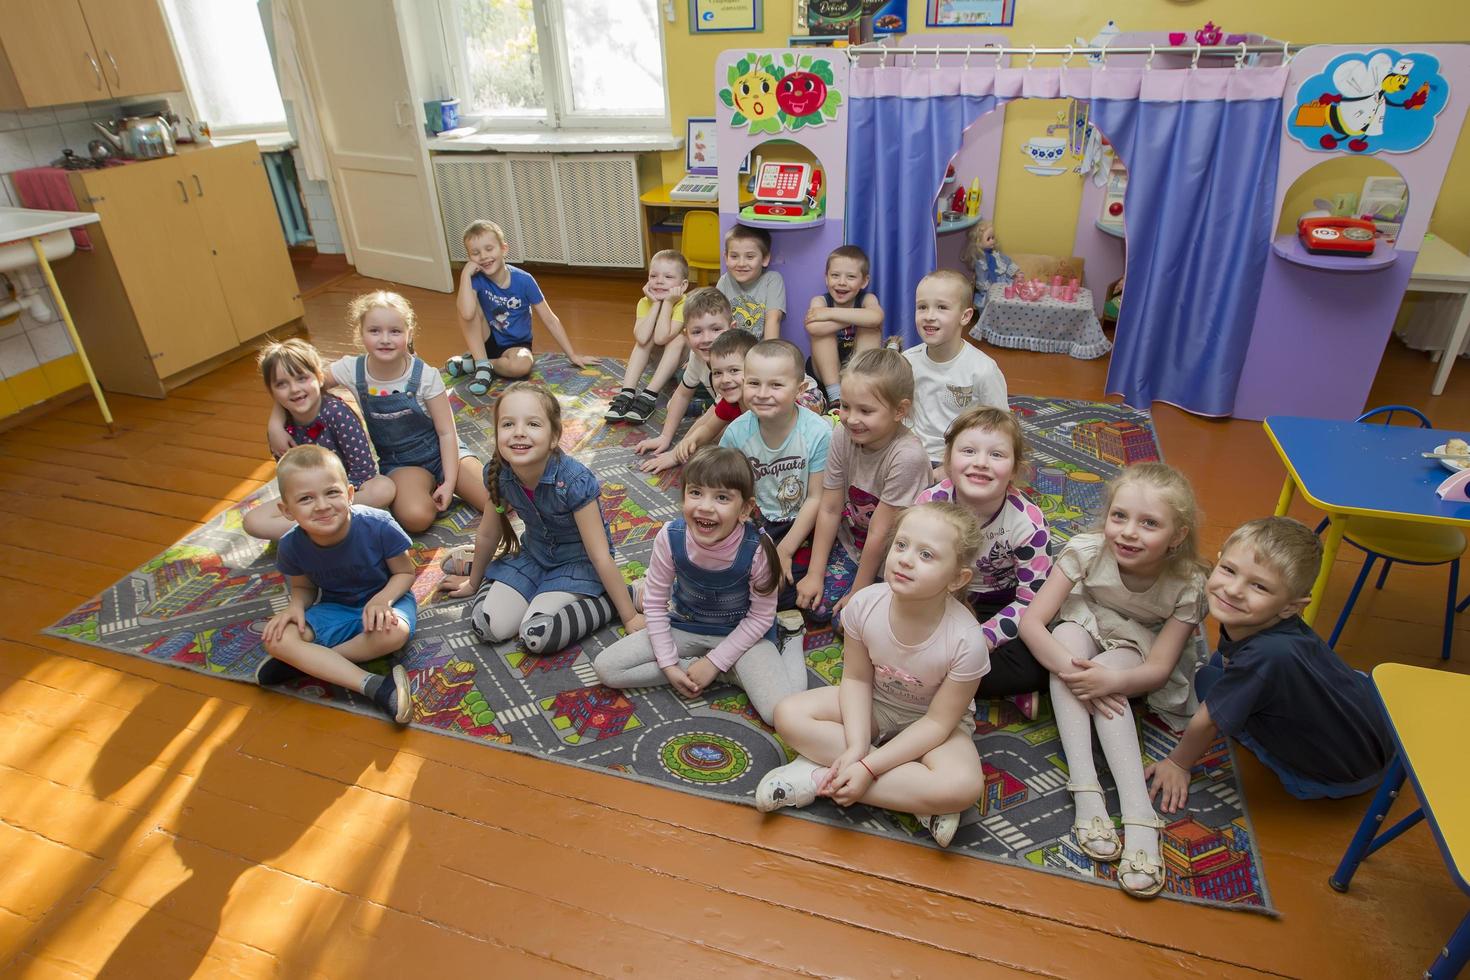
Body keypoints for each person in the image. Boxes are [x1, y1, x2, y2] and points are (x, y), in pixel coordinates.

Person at [1019, 462, 1208, 898]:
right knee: (1065, 638)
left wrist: (1107, 682)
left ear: (1177, 536)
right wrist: (1073, 672)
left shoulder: (1188, 583)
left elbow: (1159, 667)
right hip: (1087, 623)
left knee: (1112, 674)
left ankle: (1140, 815)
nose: (1128, 532)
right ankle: (1085, 787)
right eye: (1119, 516)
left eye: (1149, 524)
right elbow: (1033, 623)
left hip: (1137, 647)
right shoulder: (1086, 550)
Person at [756, 503, 990, 848]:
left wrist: (866, 768)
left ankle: (818, 775)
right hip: (875, 703)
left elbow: (939, 724)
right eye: (901, 545)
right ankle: (913, 799)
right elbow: (856, 680)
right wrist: (855, 746)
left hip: (932, 725)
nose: (906, 559)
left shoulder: (967, 641)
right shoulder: (864, 605)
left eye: (926, 555)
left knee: (962, 787)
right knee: (788, 714)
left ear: (958, 578)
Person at [1147, 517, 1394, 809]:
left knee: (1206, 682)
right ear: (1218, 561)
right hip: (1379, 740)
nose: (1235, 590)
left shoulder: (1264, 656)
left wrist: (1178, 763)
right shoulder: (1282, 627)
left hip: (1333, 776)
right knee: (1221, 667)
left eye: (1260, 587)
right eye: (1228, 570)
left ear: (1292, 606)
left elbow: (1208, 719)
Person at [593, 447, 807, 724]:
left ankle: (790, 638)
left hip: (742, 636)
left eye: (721, 497)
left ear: (744, 509)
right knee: (607, 668)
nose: (705, 506)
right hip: (684, 625)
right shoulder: (669, 537)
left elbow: (760, 617)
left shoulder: (758, 551)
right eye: (695, 493)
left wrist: (715, 660)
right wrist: (670, 666)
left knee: (783, 713)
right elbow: (656, 605)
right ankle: (725, 672)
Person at [440, 382, 643, 654]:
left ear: (554, 437)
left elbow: (600, 556)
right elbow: (489, 532)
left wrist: (629, 616)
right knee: (487, 626)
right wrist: (473, 583)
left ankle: (617, 598)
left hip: (577, 564)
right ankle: (483, 565)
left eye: (533, 424)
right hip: (533, 556)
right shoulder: (499, 472)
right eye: (508, 424)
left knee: (538, 635)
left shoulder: (573, 481)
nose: (519, 433)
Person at [268, 291, 488, 534]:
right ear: (361, 333)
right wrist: (275, 423)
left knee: (497, 502)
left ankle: (451, 483)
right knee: (415, 518)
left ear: (409, 333)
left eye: (395, 331)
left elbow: (447, 433)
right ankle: (421, 489)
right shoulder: (351, 369)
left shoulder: (425, 376)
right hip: (401, 464)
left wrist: (448, 482)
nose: (385, 339)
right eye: (375, 331)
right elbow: (304, 386)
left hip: (444, 451)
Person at [257, 445, 416, 725]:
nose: (321, 505)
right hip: (335, 607)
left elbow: (405, 574)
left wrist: (383, 600)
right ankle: (376, 686)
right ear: (287, 510)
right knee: (277, 638)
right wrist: (295, 606)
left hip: (387, 599)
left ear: (350, 494)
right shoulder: (291, 545)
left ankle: (308, 663)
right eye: (306, 499)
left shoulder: (379, 525)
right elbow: (304, 588)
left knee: (394, 633)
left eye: (332, 492)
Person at [917, 406, 1052, 719]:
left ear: (1016, 468)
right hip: (940, 595)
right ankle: (963, 681)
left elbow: (1031, 601)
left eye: (996, 455)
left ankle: (935, 681)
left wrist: (986, 636)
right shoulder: (929, 504)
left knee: (1040, 663)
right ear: (948, 460)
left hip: (1000, 604)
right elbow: (912, 564)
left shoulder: (1028, 524)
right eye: (968, 451)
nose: (980, 462)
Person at [796, 349, 930, 627]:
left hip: (893, 555)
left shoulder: (907, 456)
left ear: (900, 410)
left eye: (865, 410)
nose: (851, 419)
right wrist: (815, 573)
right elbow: (830, 507)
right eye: (845, 406)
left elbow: (882, 532)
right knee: (814, 608)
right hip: (852, 541)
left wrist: (859, 592)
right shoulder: (842, 435)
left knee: (847, 623)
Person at [719, 339, 832, 609]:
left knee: (798, 592)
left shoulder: (818, 433)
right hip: (755, 519)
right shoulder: (736, 433)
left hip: (802, 523)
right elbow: (725, 490)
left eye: (776, 385)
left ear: (800, 389)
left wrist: (785, 550)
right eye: (754, 383)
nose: (762, 393)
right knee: (732, 576)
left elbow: (817, 499)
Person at [248, 338, 396, 541]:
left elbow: (363, 471)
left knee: (383, 489)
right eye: (282, 384)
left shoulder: (337, 413)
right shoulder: (280, 431)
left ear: (319, 377)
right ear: (271, 391)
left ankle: (314, 526)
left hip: (347, 490)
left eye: (301, 378)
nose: (294, 389)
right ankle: (321, 525)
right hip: (306, 499)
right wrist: (309, 503)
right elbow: (289, 478)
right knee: (252, 521)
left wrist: (330, 500)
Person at [447, 220, 588, 394]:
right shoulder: (475, 280)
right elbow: (467, 313)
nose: (483, 256)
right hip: (486, 340)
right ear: (470, 258)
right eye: (475, 253)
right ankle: (482, 365)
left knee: (521, 366)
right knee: (466, 303)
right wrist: (465, 275)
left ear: (504, 249)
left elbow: (549, 319)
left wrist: (572, 354)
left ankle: (475, 364)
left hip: (516, 344)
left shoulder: (524, 280)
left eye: (489, 249)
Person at [902, 270, 1008, 471]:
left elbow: (1000, 426)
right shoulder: (907, 361)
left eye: (942, 307)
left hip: (960, 460)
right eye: (922, 307)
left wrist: (951, 467)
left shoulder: (983, 370)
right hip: (909, 454)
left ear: (965, 316)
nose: (929, 316)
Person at [634, 287, 732, 471]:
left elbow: (716, 415)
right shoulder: (698, 356)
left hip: (770, 416)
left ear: (732, 328)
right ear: (686, 334)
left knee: (721, 442)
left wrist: (677, 453)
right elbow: (682, 395)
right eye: (697, 332)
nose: (707, 339)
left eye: (716, 329)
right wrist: (665, 437)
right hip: (727, 408)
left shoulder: (735, 364)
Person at [607, 249, 690, 425]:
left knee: (678, 339)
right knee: (643, 340)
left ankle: (649, 396)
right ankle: (627, 393)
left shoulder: (685, 304)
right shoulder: (644, 303)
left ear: (682, 286)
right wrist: (654, 305)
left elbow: (662, 338)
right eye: (653, 276)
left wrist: (667, 303)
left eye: (668, 277)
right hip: (660, 363)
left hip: (684, 367)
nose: (659, 281)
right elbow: (643, 337)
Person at [804, 245, 884, 409]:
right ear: (826, 278)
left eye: (851, 277)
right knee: (823, 334)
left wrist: (830, 314)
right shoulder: (820, 301)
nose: (842, 282)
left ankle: (860, 387)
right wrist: (857, 317)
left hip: (857, 364)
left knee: (871, 329)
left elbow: (876, 318)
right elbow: (813, 329)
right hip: (824, 372)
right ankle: (836, 397)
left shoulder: (867, 299)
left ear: (864, 281)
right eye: (835, 275)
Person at [716, 224, 785, 340]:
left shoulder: (772, 280)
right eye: (734, 256)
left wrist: (767, 355)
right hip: (730, 351)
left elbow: (773, 320)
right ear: (726, 258)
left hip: (759, 352)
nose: (741, 263)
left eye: (750, 257)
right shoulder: (724, 281)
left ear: (765, 259)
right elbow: (716, 320)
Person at [960, 220, 1018, 326]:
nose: (992, 241)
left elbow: (1008, 262)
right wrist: (989, 289)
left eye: (993, 238)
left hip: (1004, 283)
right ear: (978, 242)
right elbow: (982, 279)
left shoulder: (997, 254)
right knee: (988, 303)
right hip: (990, 287)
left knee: (1011, 298)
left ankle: (1006, 321)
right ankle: (990, 324)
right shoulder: (980, 262)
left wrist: (1016, 273)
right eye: (988, 239)